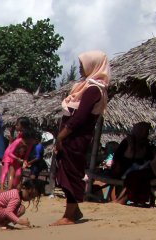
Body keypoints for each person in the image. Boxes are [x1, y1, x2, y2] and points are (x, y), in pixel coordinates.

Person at [52, 51, 110, 226]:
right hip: (72, 137)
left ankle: (69, 215)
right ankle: (74, 210)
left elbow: (81, 116)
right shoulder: (86, 86)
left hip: (76, 138)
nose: (79, 68)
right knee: (66, 171)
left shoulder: (94, 89)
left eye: (82, 65)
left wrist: (62, 135)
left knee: (70, 173)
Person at [111, 122, 155, 205]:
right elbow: (122, 159)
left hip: (136, 169)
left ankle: (137, 200)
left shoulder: (145, 144)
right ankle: (123, 199)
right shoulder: (127, 142)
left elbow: (149, 158)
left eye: (147, 131)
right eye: (145, 131)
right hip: (122, 169)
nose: (146, 133)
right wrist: (132, 149)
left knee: (142, 175)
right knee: (136, 177)